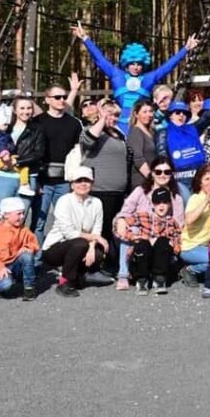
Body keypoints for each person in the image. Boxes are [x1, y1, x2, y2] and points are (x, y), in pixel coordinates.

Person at [72, 21, 198, 133]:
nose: (136, 67)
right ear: (126, 64)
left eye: (139, 64)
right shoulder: (117, 75)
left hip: (141, 126)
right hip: (118, 125)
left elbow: (167, 67)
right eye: (132, 63)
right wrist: (85, 38)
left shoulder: (148, 79)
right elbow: (100, 59)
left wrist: (186, 49)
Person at [160, 73, 210, 202]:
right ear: (170, 115)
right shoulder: (164, 132)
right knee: (188, 207)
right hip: (180, 178)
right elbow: (162, 156)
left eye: (184, 113)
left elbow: (209, 116)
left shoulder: (193, 128)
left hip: (199, 176)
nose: (181, 115)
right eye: (177, 113)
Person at [113, 161, 185, 289]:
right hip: (140, 234)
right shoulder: (140, 191)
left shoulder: (176, 198)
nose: (162, 175)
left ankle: (158, 275)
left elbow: (178, 225)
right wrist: (121, 220)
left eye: (167, 172)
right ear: (152, 173)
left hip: (162, 238)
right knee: (129, 227)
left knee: (163, 242)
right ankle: (123, 275)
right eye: (158, 172)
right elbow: (125, 212)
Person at [81, 99, 132, 278]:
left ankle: (110, 265)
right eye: (109, 113)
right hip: (100, 189)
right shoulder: (92, 131)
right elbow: (88, 140)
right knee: (98, 230)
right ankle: (92, 268)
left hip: (117, 191)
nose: (113, 117)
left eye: (116, 114)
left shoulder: (117, 133)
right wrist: (101, 119)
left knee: (113, 231)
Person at [42, 166, 108, 297]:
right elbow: (69, 233)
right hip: (55, 247)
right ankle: (65, 282)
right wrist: (94, 238)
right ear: (72, 184)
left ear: (92, 183)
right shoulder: (64, 201)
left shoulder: (97, 203)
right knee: (80, 244)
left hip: (80, 243)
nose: (83, 184)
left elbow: (97, 229)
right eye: (79, 181)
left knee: (98, 252)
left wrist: (92, 247)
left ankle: (79, 276)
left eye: (87, 181)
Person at [31, 83, 83, 248]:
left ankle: (63, 258)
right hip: (43, 180)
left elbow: (78, 153)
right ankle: (36, 260)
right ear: (47, 100)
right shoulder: (37, 122)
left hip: (65, 181)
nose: (62, 100)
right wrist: (35, 180)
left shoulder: (74, 124)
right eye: (57, 97)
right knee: (39, 221)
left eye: (64, 97)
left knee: (67, 221)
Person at [0, 196, 40, 301]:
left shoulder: (23, 229)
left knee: (27, 256)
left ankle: (29, 288)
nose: (23, 216)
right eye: (18, 214)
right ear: (6, 215)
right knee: (5, 286)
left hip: (16, 264)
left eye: (23, 213)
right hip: (2, 267)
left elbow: (34, 243)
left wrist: (28, 247)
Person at [123, 187, 182, 295]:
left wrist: (175, 244)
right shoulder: (143, 216)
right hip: (143, 256)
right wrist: (132, 236)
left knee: (163, 241)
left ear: (169, 204)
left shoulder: (171, 221)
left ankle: (159, 279)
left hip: (161, 259)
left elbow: (177, 235)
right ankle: (141, 280)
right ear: (152, 204)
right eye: (157, 202)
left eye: (165, 202)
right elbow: (122, 225)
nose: (161, 205)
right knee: (143, 243)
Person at [178, 165, 210, 286]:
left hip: (206, 245)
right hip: (190, 246)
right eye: (207, 179)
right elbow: (189, 219)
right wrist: (206, 201)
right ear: (200, 182)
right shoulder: (195, 198)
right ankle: (190, 270)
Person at [126, 99, 158, 189]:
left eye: (150, 111)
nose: (149, 115)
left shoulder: (151, 132)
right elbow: (138, 159)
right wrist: (152, 180)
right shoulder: (135, 132)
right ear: (136, 114)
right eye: (144, 112)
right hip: (142, 182)